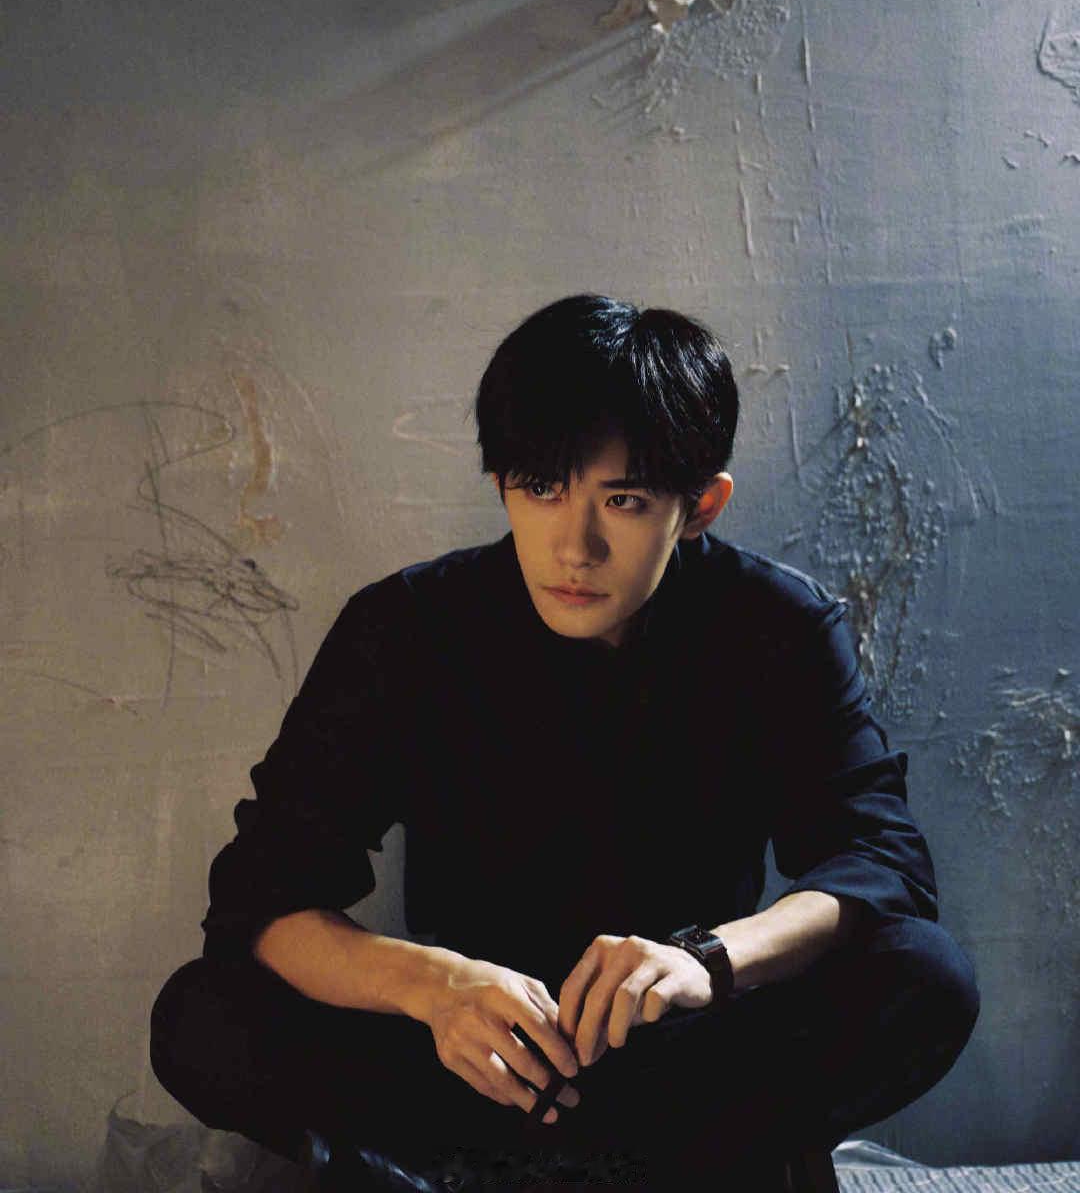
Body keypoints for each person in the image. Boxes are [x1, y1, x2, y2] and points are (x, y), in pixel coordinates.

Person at [150, 294, 980, 1192]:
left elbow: (881, 865)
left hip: (681, 1059)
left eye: (623, 500)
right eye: (542, 489)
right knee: (201, 1015)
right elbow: (260, 900)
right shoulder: (404, 629)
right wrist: (435, 988)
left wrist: (706, 959)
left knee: (925, 975)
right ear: (501, 483)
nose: (574, 547)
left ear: (700, 506)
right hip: (466, 1061)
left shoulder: (776, 625)